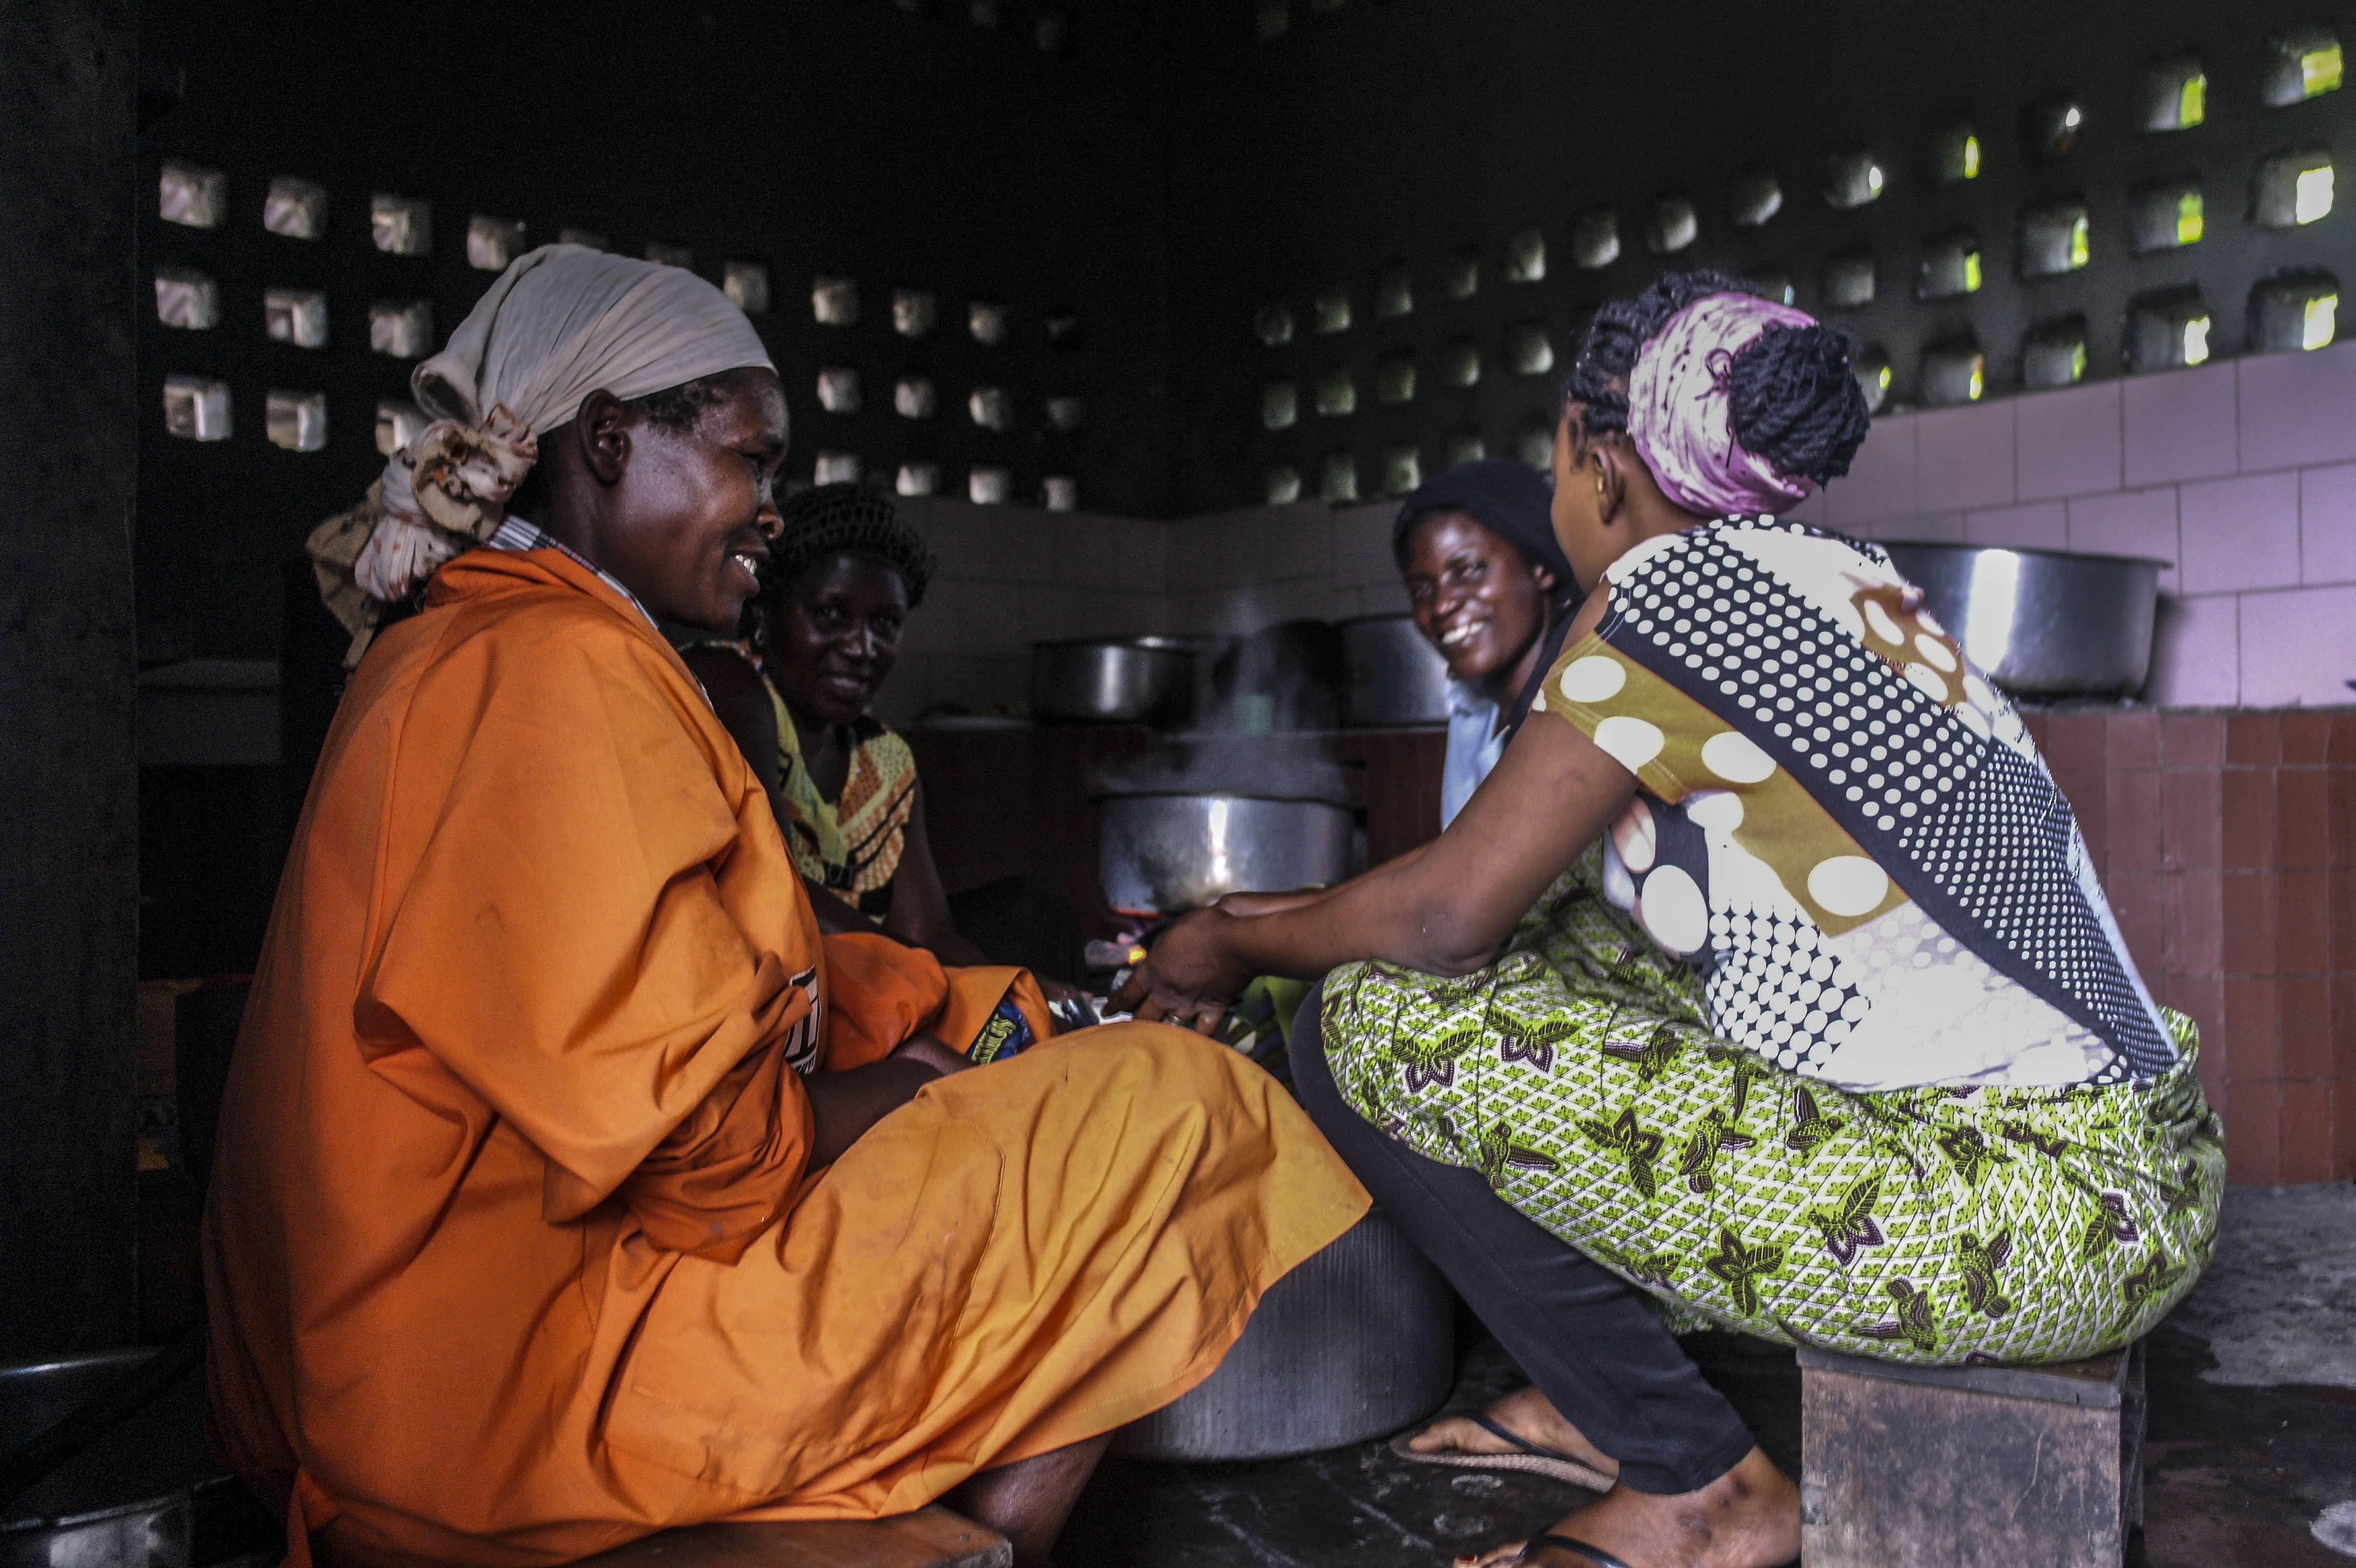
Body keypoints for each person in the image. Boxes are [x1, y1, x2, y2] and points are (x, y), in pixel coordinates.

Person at [208, 244, 1368, 1568]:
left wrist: (982, 1011)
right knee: (1181, 1106)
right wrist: (921, 1087)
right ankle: (976, 1548)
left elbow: (743, 977)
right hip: (520, 1394)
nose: (770, 507)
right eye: (751, 460)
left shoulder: (472, 647)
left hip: (401, 1366)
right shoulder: (555, 675)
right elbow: (714, 1161)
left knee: (1055, 1065)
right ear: (604, 442)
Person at [1115, 271, 2222, 1568]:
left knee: (1367, 1019)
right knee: (1569, 933)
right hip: (2136, 1169)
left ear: (1596, 456)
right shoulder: (1845, 574)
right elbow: (1516, 902)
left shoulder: (1659, 598)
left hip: (2022, 1209)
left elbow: (1442, 920)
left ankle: (1700, 1485)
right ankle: (1606, 1397)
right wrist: (1270, 919)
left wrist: (1227, 937)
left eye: (1556, 453)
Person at [682, 485, 1087, 993]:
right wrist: (953, 983)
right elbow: (778, 891)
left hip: (864, 979)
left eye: (885, 623)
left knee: (1034, 908)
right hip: (765, 991)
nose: (861, 648)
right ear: (765, 617)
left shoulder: (884, 757)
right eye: (830, 614)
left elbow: (928, 931)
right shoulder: (728, 684)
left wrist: (1032, 992)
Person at [1393, 459, 1581, 827]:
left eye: (1469, 571)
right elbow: (1461, 855)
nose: (1442, 604)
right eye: (1422, 589)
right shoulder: (1474, 713)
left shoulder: (1579, 707)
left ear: (1540, 566)